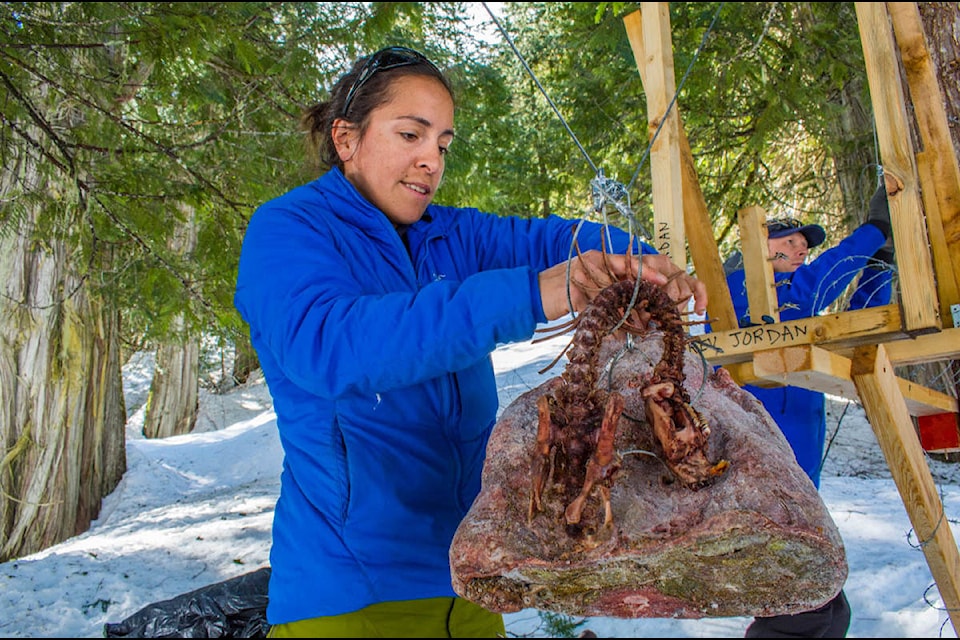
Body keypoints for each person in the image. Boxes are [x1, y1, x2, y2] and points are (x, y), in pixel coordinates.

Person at [233, 45, 707, 638]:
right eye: (411, 135)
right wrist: (534, 294)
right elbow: (334, 345)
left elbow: (555, 239)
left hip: (471, 579)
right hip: (350, 595)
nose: (431, 160)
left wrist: (638, 263)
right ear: (346, 138)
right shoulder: (288, 229)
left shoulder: (450, 234)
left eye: (443, 145)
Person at [721, 177, 895, 638]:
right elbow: (819, 282)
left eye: (805, 246)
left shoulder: (797, 303)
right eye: (792, 242)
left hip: (798, 482)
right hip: (763, 485)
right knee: (801, 615)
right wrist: (876, 228)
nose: (802, 250)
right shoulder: (742, 290)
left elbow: (858, 319)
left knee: (831, 613)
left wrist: (882, 263)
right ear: (762, 246)